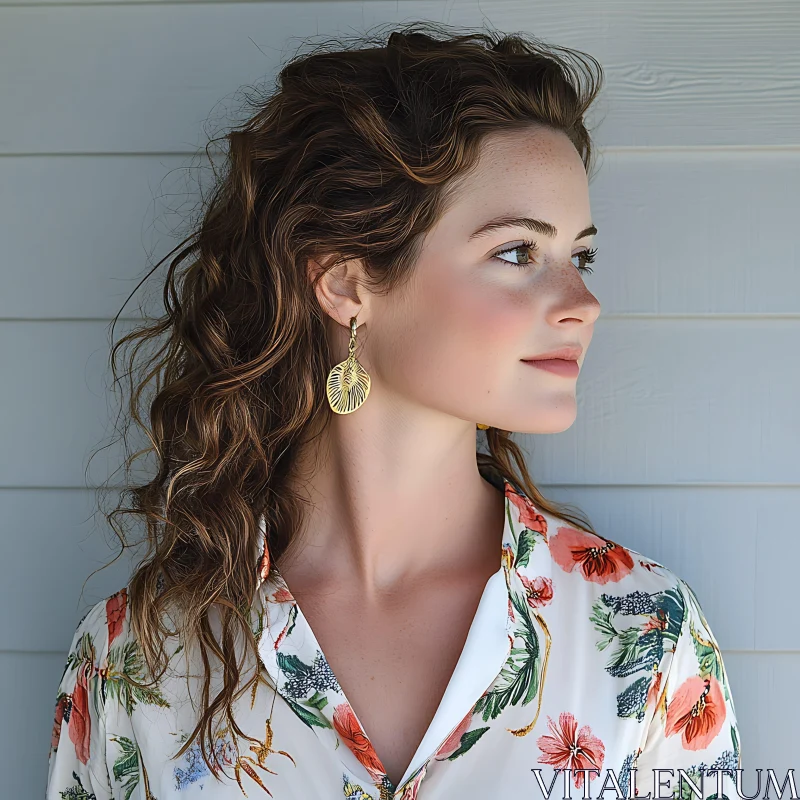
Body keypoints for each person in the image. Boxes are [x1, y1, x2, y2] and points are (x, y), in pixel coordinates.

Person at [45, 22, 741, 800]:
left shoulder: (645, 638)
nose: (584, 303)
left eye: (580, 256)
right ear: (346, 285)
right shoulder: (136, 659)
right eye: (518, 252)